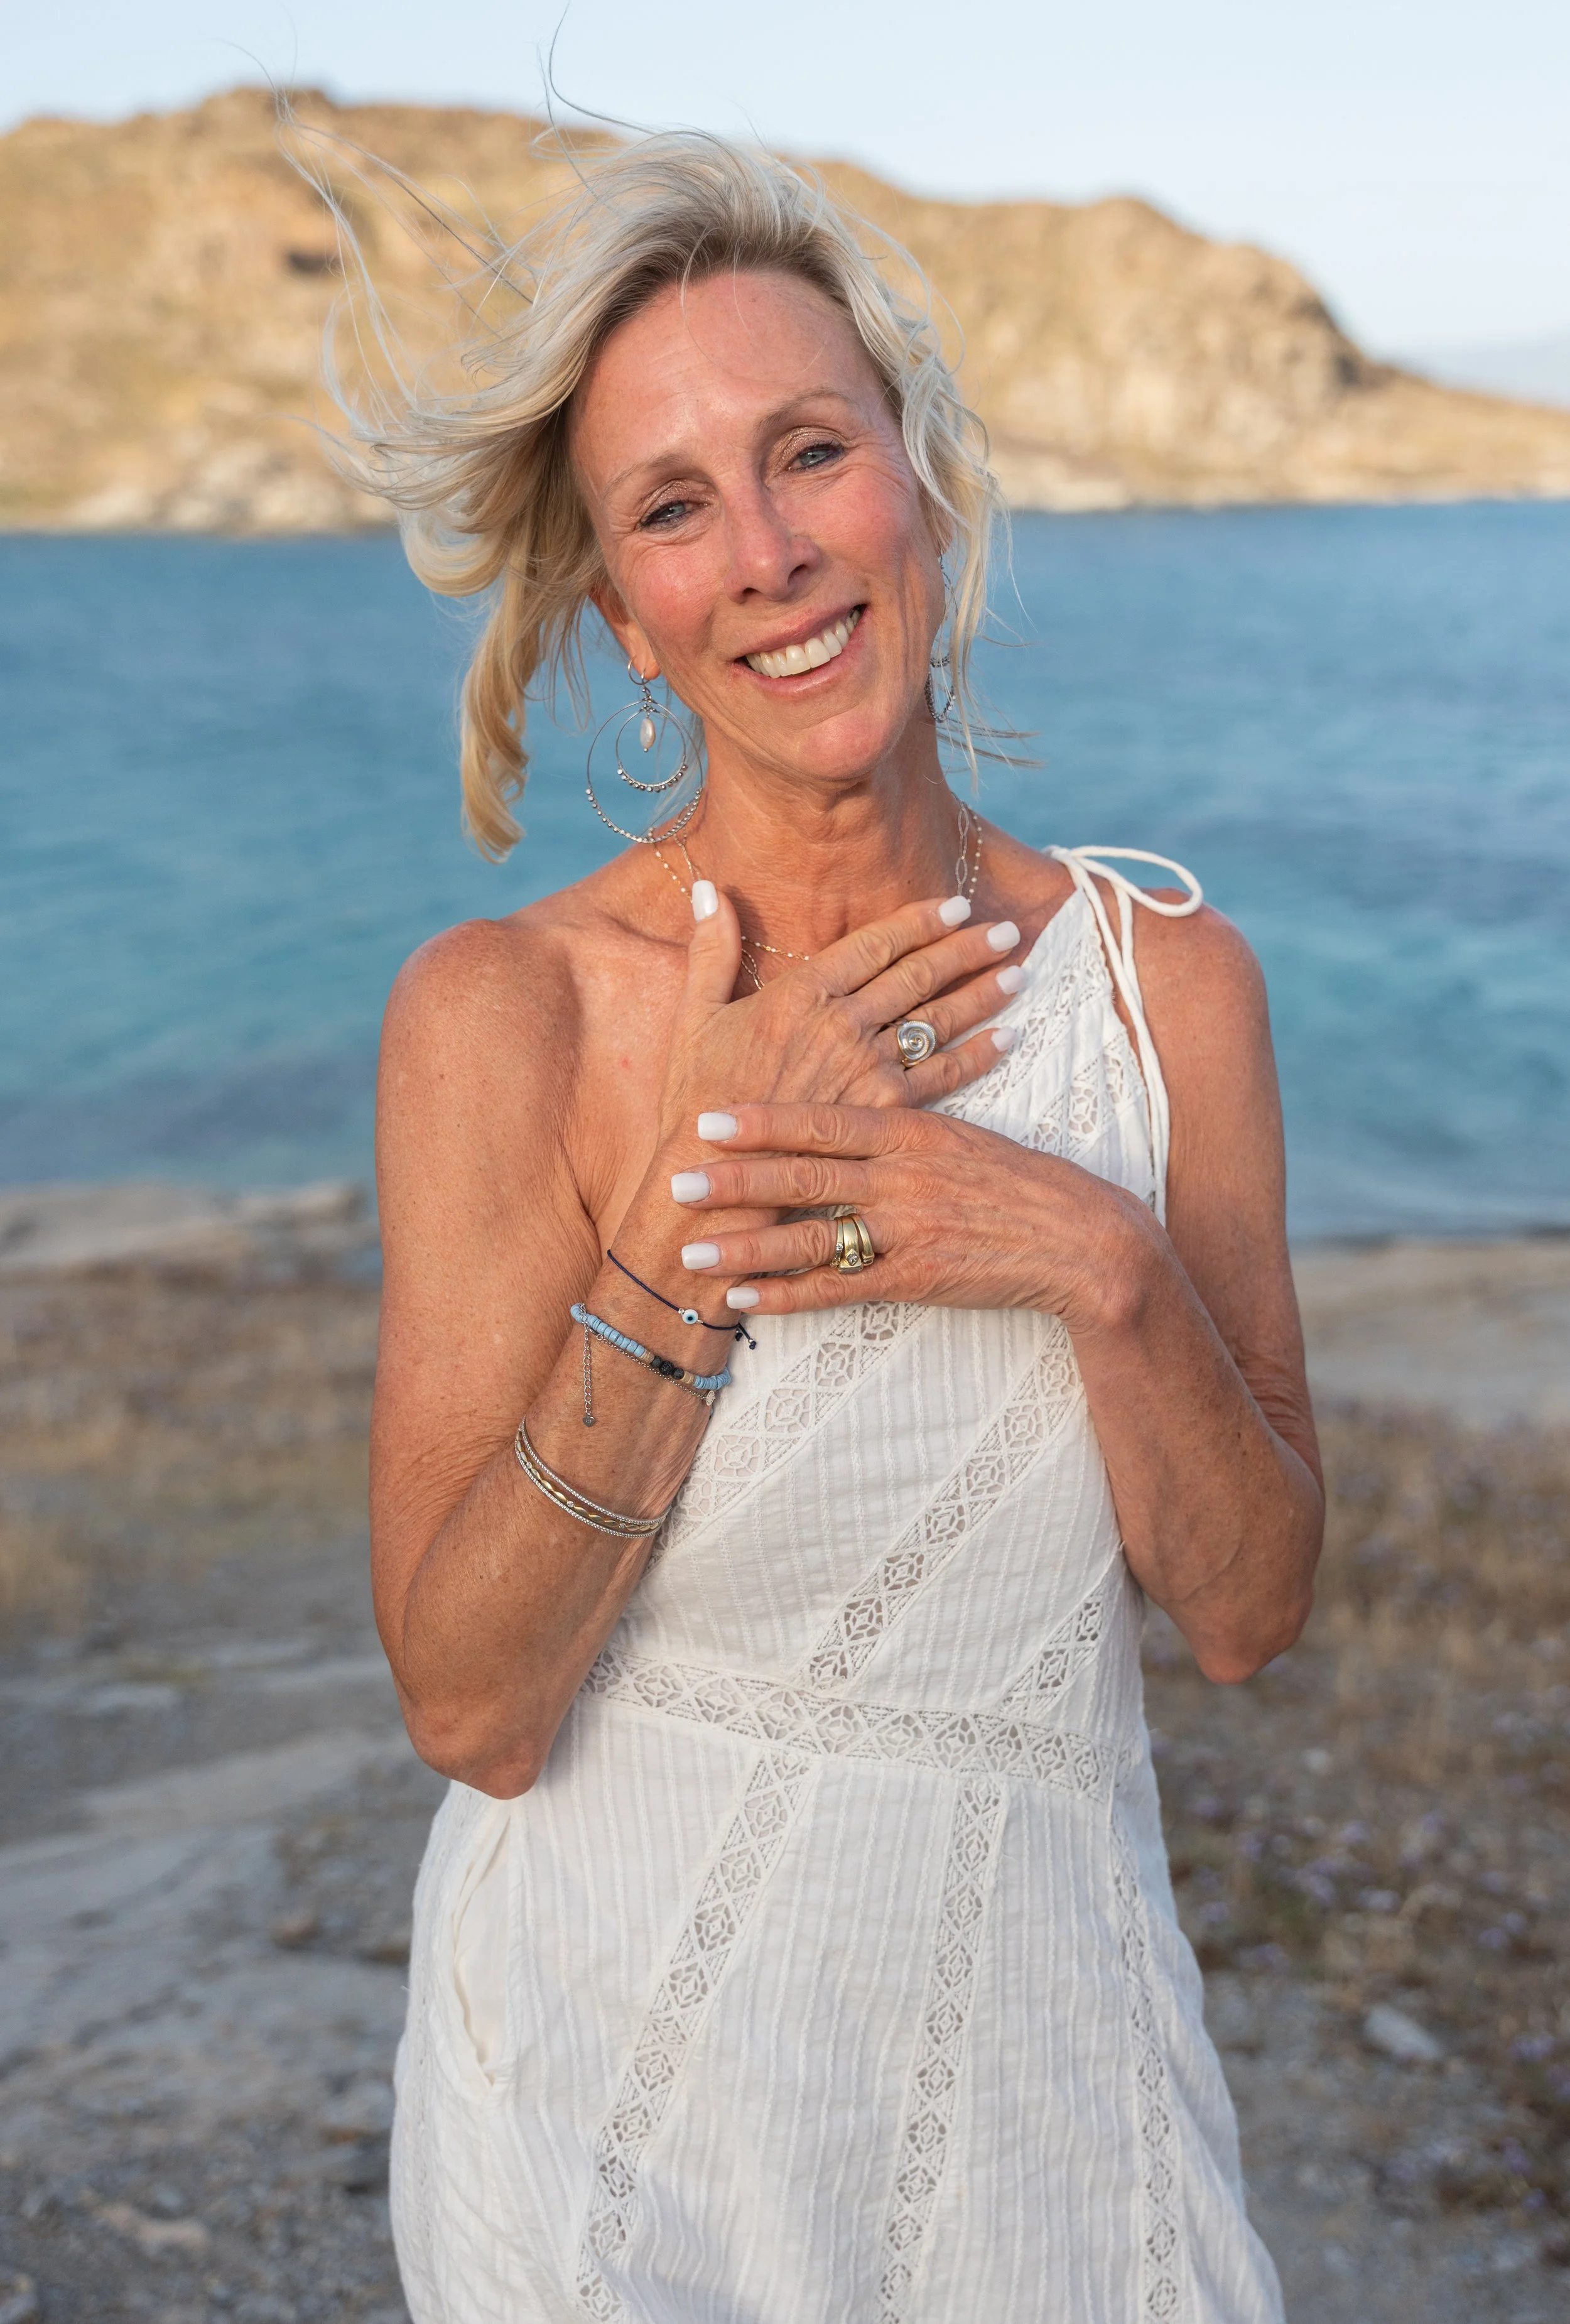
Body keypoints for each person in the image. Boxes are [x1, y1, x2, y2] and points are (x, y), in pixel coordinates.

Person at [362, 128, 1322, 2322]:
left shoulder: (1170, 991)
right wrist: (698, 1214)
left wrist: (1086, 1252)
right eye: (676, 507)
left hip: (1053, 2085)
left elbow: (1250, 1608)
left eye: (811, 452)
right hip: (613, 2110)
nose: (772, 554)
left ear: (925, 486)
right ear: (622, 612)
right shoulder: (503, 1015)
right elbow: (473, 1705)